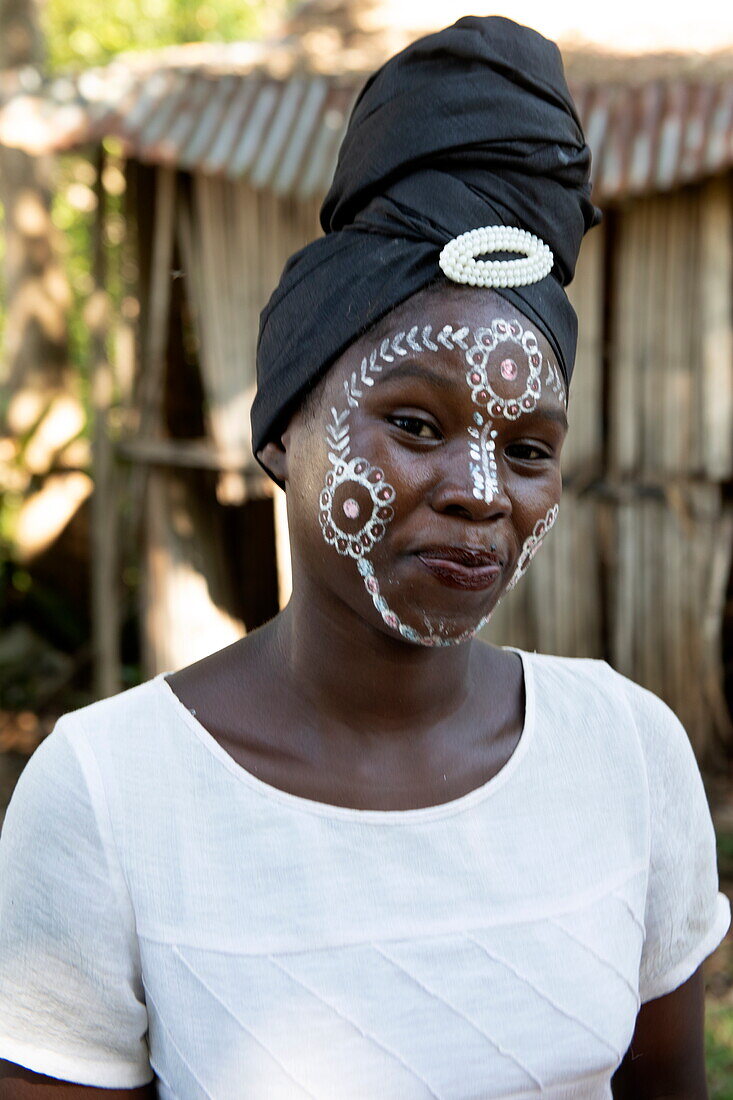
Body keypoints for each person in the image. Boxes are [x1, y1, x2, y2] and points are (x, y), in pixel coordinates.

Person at [0, 15, 729, 1100]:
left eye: (528, 448)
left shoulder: (628, 755)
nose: (483, 490)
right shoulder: (111, 795)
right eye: (416, 424)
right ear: (281, 433)